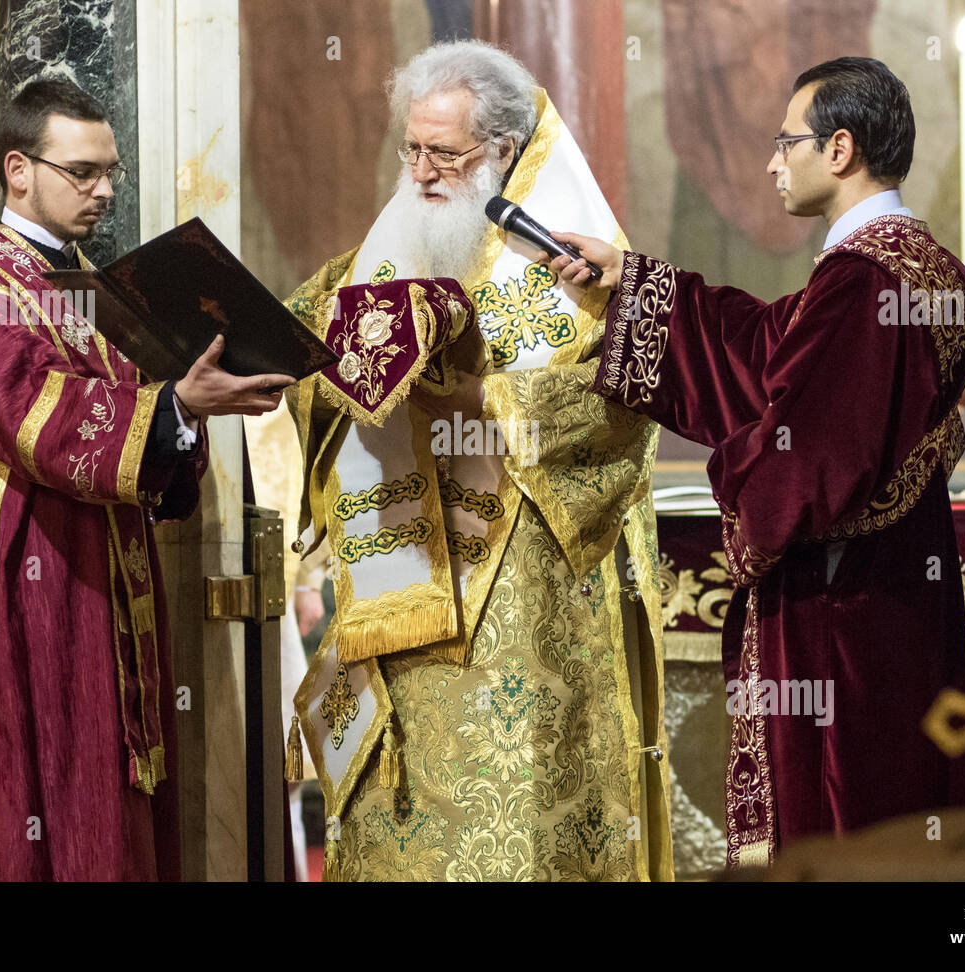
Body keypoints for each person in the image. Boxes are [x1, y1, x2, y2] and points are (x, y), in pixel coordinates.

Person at [552, 57, 965, 866]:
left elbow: (812, 457)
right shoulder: (916, 267)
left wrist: (739, 483)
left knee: (847, 830)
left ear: (841, 148)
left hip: (843, 616)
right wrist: (627, 286)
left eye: (788, 142)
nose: (772, 161)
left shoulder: (864, 280)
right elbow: (765, 353)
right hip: (893, 593)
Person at [276, 40, 673, 881]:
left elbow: (620, 410)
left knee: (516, 831)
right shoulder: (388, 247)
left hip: (519, 608)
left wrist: (467, 392)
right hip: (401, 584)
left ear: (501, 151)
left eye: (445, 154)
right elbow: (309, 349)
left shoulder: (574, 262)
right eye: (412, 149)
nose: (421, 172)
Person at [0, 78, 293, 881]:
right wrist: (174, 403)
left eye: (111, 171)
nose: (105, 190)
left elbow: (143, 428)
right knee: (19, 805)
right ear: (17, 169)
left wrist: (189, 407)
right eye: (83, 172)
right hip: (10, 600)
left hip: (104, 597)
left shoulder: (97, 295)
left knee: (103, 810)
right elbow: (45, 423)